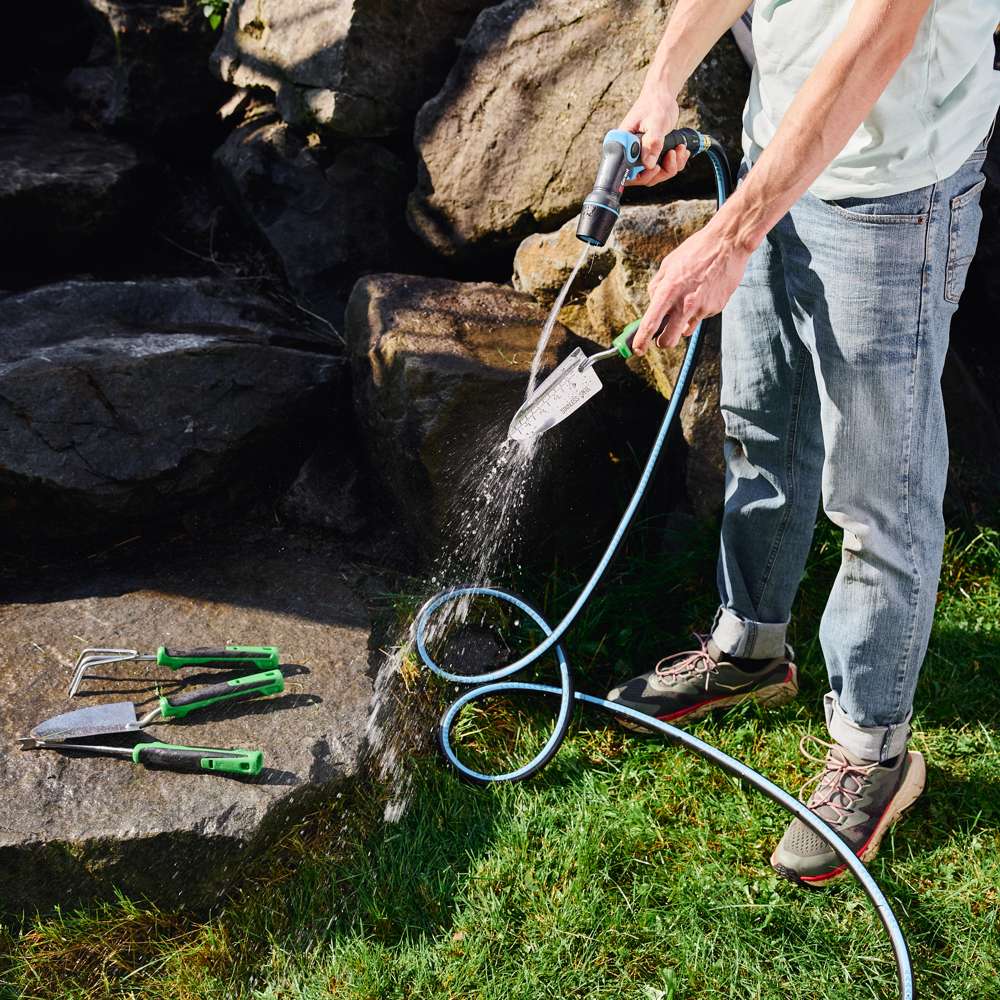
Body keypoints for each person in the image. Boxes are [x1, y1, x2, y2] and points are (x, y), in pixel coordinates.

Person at [606, 0, 1000, 886]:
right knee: (761, 425)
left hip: (893, 191)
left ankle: (874, 749)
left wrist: (729, 235)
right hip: (782, 154)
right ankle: (750, 648)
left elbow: (880, 33)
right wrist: (661, 83)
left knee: (878, 496)